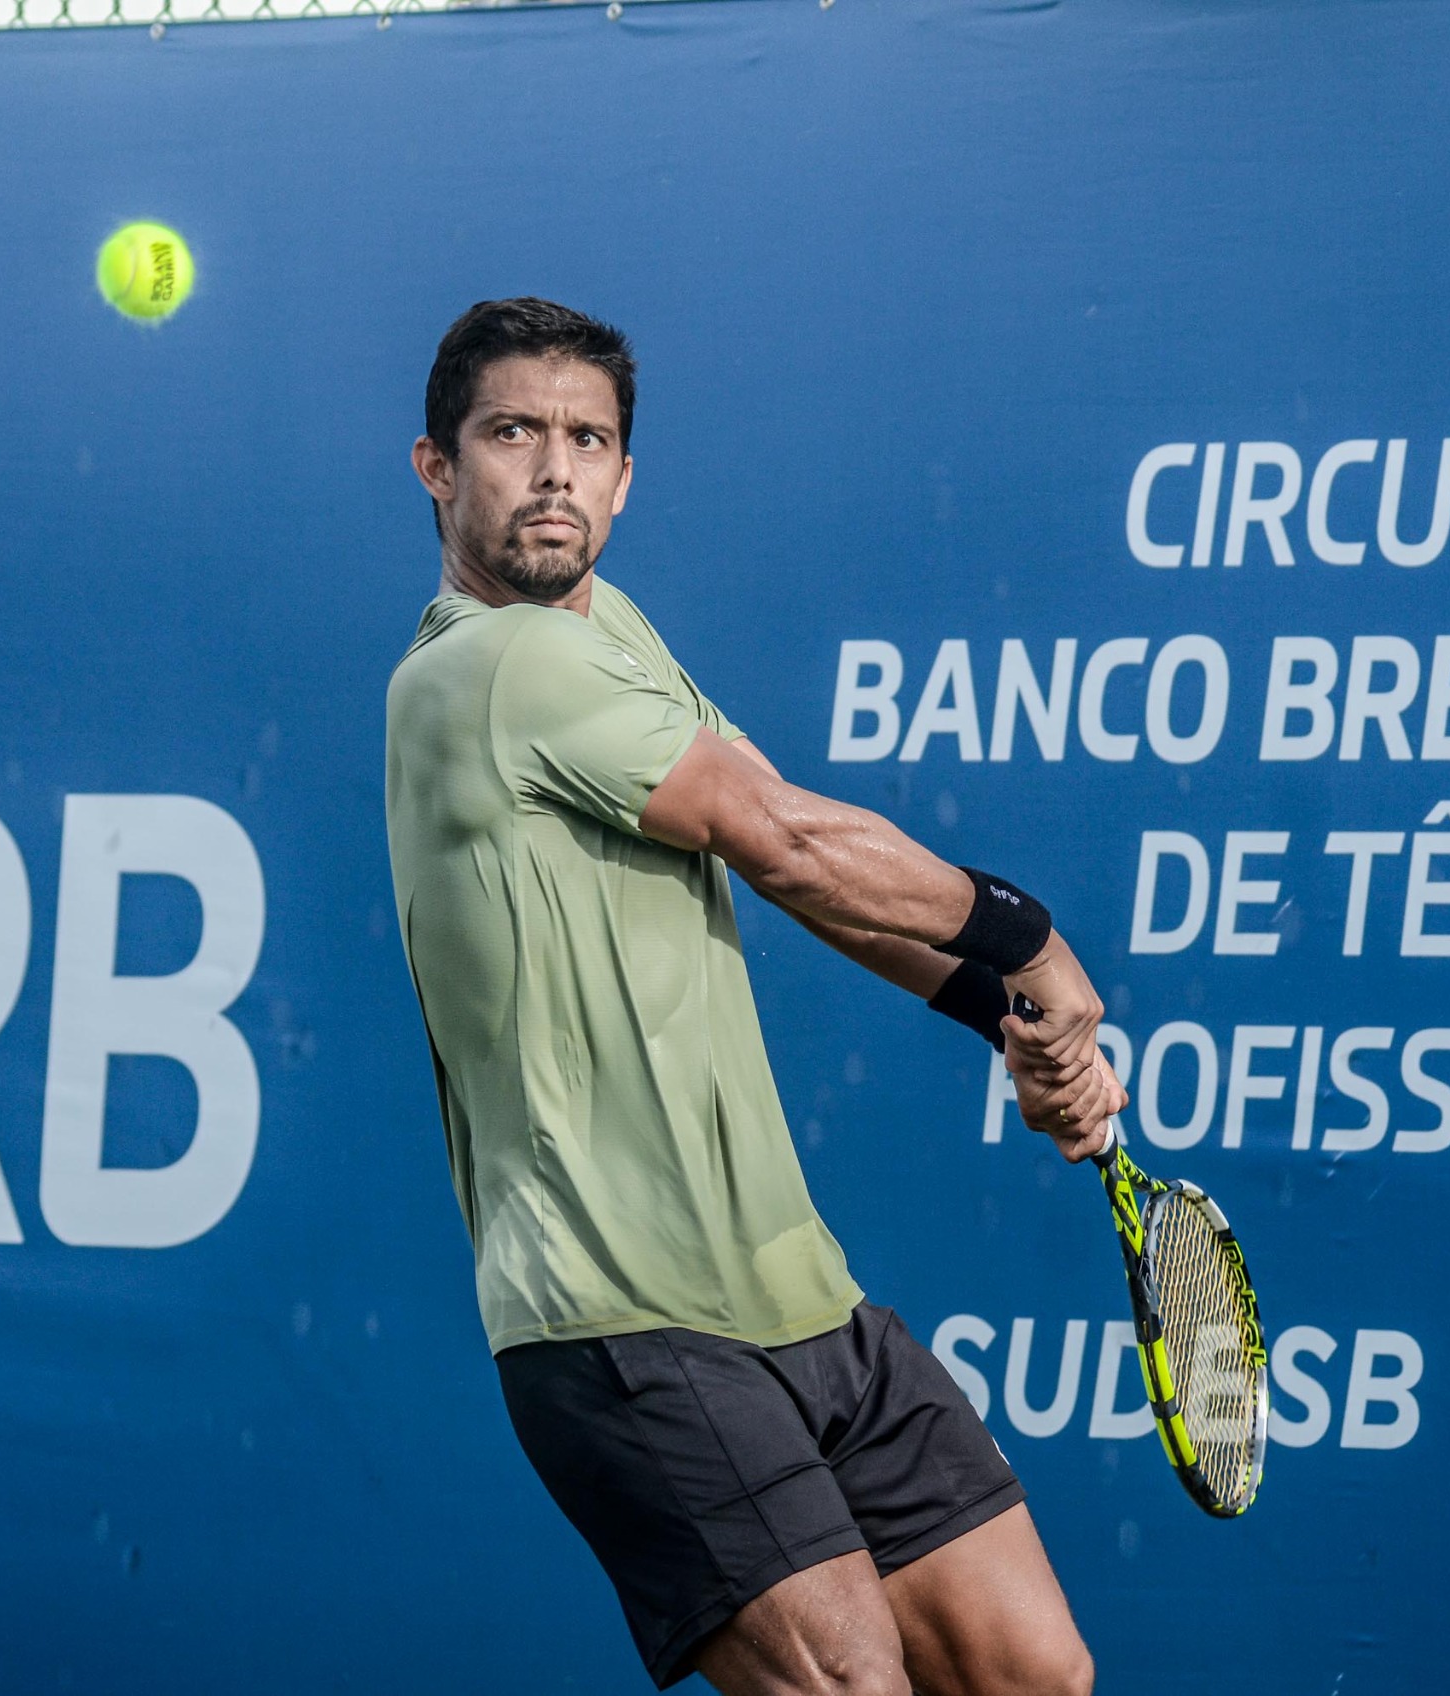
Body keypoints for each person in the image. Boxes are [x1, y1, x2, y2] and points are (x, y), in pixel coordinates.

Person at [384, 298, 1129, 1696]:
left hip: (803, 1302)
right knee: (854, 1687)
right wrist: (1028, 943)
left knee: (1034, 1673)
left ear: (624, 478)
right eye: (512, 433)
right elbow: (785, 835)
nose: (554, 468)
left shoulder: (613, 636)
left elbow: (803, 873)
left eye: (587, 439)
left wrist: (998, 1019)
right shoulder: (493, 665)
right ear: (436, 465)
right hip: (621, 1319)